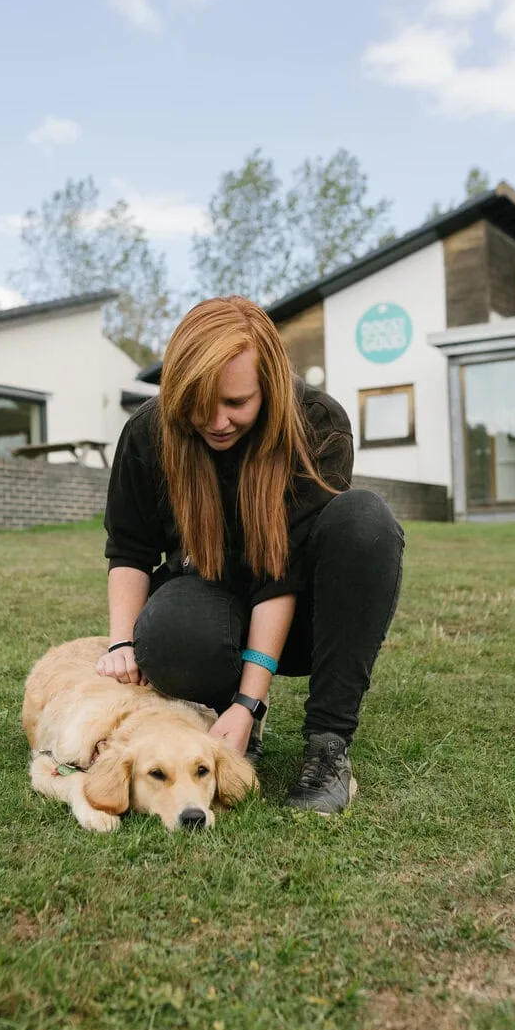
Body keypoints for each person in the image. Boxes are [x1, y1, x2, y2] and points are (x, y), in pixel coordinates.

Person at [97, 295, 404, 813]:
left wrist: (250, 696)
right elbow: (129, 547)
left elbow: (278, 576)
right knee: (169, 634)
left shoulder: (318, 423)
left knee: (365, 521)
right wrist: (121, 642)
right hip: (209, 605)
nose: (217, 422)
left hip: (301, 618)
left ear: (269, 387)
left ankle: (328, 744)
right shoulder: (149, 433)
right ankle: (230, 720)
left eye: (237, 403)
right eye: (200, 404)